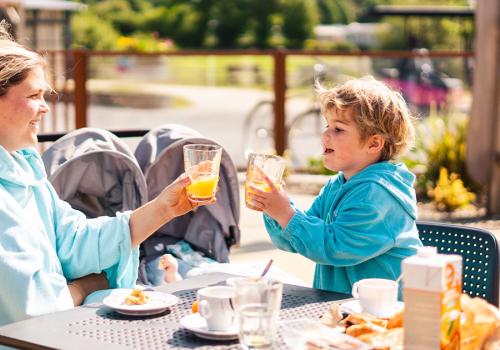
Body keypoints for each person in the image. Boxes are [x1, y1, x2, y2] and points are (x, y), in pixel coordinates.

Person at [0, 21, 213, 326]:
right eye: (34, 95)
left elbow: (72, 239)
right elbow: (33, 308)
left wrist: (164, 208)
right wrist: (85, 287)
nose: (45, 107)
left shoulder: (24, 168)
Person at [247, 76, 422, 296]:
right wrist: (273, 209)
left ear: (374, 143)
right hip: (341, 307)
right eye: (327, 126)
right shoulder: (337, 185)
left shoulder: (378, 194)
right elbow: (296, 240)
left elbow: (334, 248)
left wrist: (285, 213)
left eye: (338, 129)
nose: (325, 134)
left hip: (383, 315)